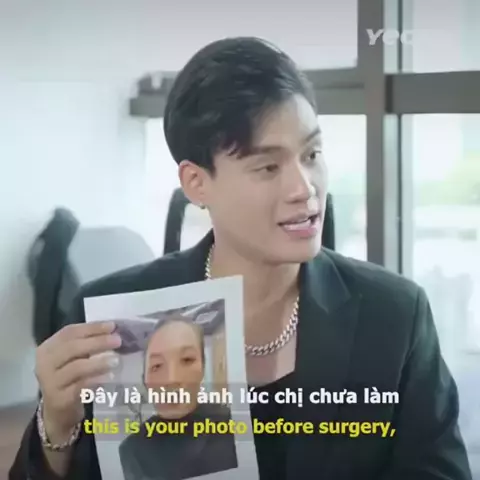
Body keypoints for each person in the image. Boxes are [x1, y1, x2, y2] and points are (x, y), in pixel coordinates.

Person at [10, 37, 472, 480]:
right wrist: (57, 426)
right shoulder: (112, 321)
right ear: (197, 183)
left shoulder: (393, 315)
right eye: (268, 167)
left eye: (311, 154)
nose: (304, 188)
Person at [118, 316, 238, 479]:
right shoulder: (131, 451)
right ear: (144, 380)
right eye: (157, 366)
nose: (171, 379)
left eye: (187, 360)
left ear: (203, 369)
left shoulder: (237, 426)